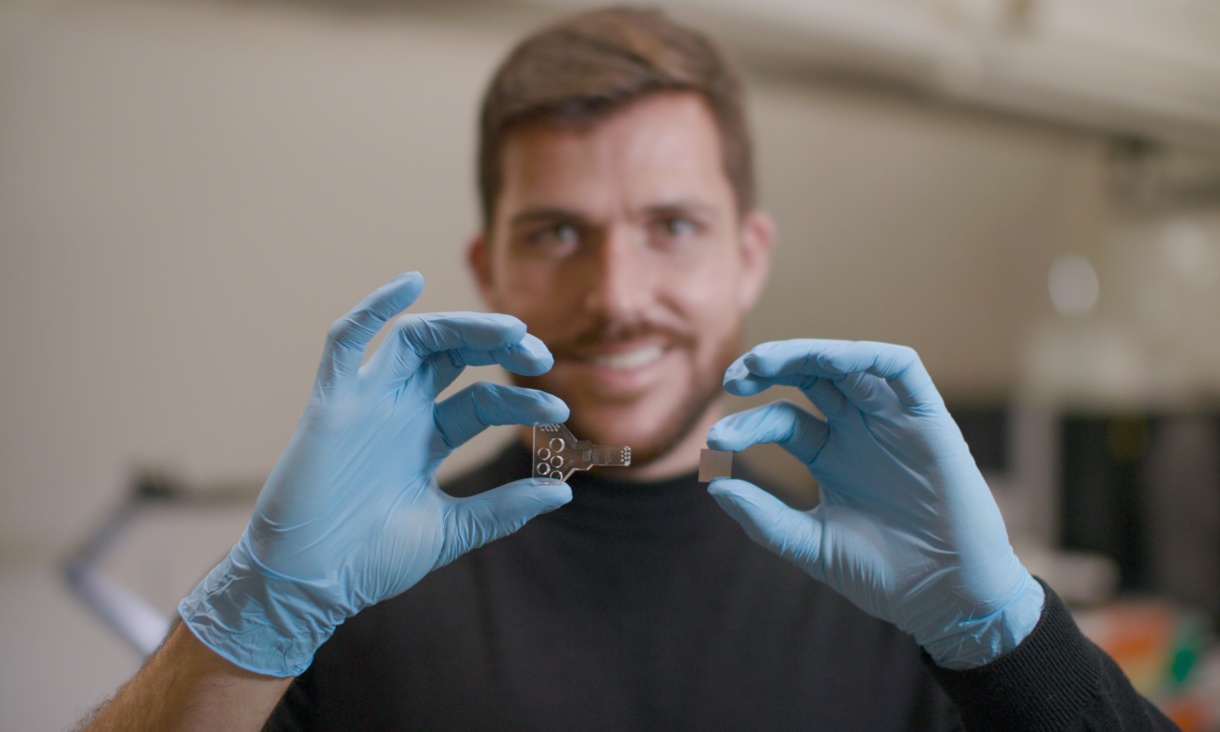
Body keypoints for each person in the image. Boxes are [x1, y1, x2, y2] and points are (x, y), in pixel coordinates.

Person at [80, 7, 1177, 731]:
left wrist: (1013, 644)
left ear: (747, 257)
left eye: (670, 226)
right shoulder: (357, 579)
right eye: (557, 232)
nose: (614, 293)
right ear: (490, 266)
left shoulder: (896, 587)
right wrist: (250, 621)